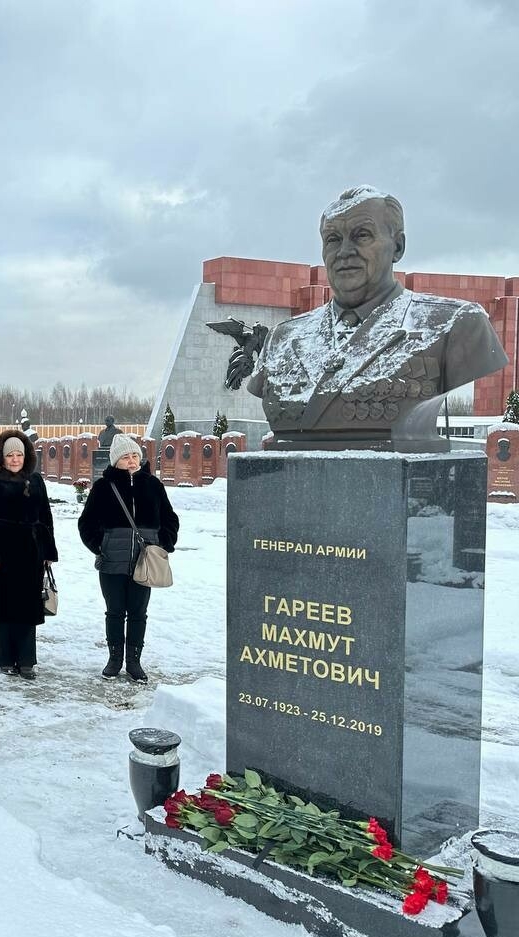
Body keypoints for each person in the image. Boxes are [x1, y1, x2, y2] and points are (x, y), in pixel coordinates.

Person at [239, 186, 507, 449]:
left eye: (362, 235)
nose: (344, 251)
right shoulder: (283, 337)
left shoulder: (455, 324)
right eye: (333, 239)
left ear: (398, 246)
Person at [78, 433, 179, 684]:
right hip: (112, 562)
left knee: (138, 613)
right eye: (125, 457)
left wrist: (164, 542)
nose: (131, 461)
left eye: (134, 455)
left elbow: (170, 519)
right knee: (114, 612)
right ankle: (114, 659)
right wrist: (100, 544)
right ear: (115, 461)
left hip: (144, 562)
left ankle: (134, 661)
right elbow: (86, 523)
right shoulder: (103, 487)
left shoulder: (153, 485)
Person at [0, 430, 57, 680]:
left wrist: (48, 551)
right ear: (2, 457)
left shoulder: (36, 480)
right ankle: (6, 659)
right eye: (10, 454)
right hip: (2, 552)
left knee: (27, 608)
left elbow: (45, 517)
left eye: (19, 454)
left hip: (31, 553)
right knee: (3, 607)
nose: (15, 459)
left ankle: (27, 660)